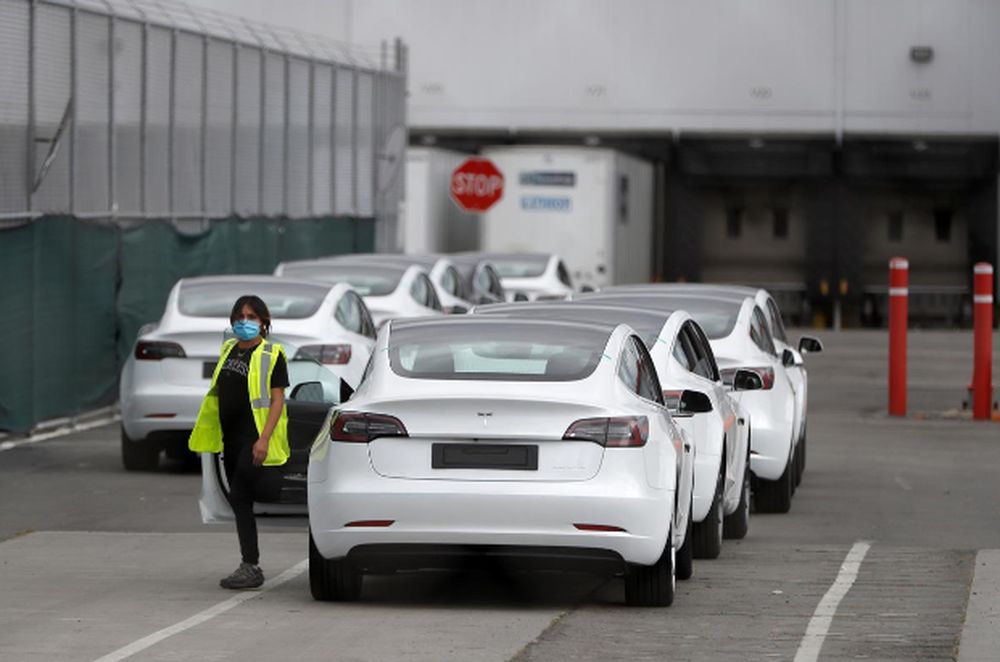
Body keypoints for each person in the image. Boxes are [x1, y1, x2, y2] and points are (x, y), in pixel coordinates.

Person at [189, 295, 290, 589]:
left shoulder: (272, 353)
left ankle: (251, 564)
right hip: (230, 439)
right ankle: (250, 565)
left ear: (263, 322)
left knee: (242, 492)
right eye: (240, 317)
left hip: (254, 438)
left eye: (251, 317)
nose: (245, 322)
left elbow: (277, 400)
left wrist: (264, 439)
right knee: (240, 501)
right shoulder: (229, 349)